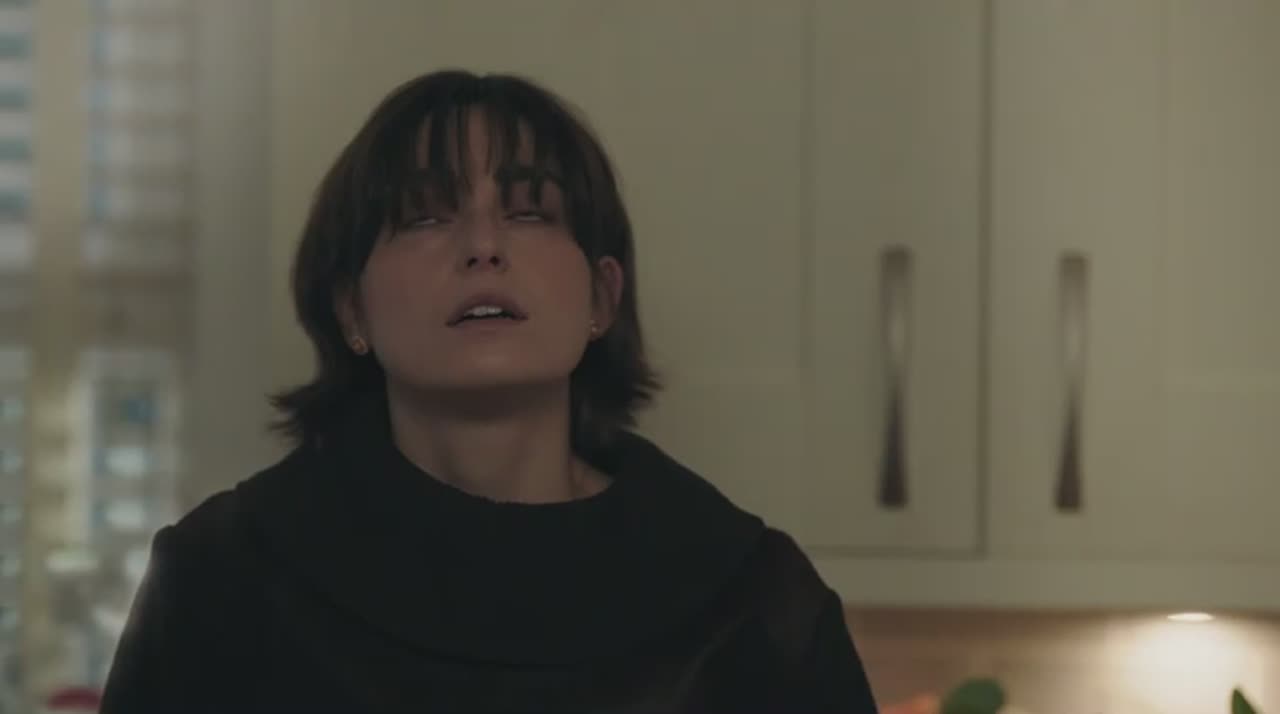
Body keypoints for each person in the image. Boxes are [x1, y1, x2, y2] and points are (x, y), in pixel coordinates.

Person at [99, 69, 880, 713]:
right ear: (351, 310)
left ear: (602, 298)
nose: (482, 247)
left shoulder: (755, 605)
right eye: (423, 217)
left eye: (530, 212)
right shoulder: (221, 582)